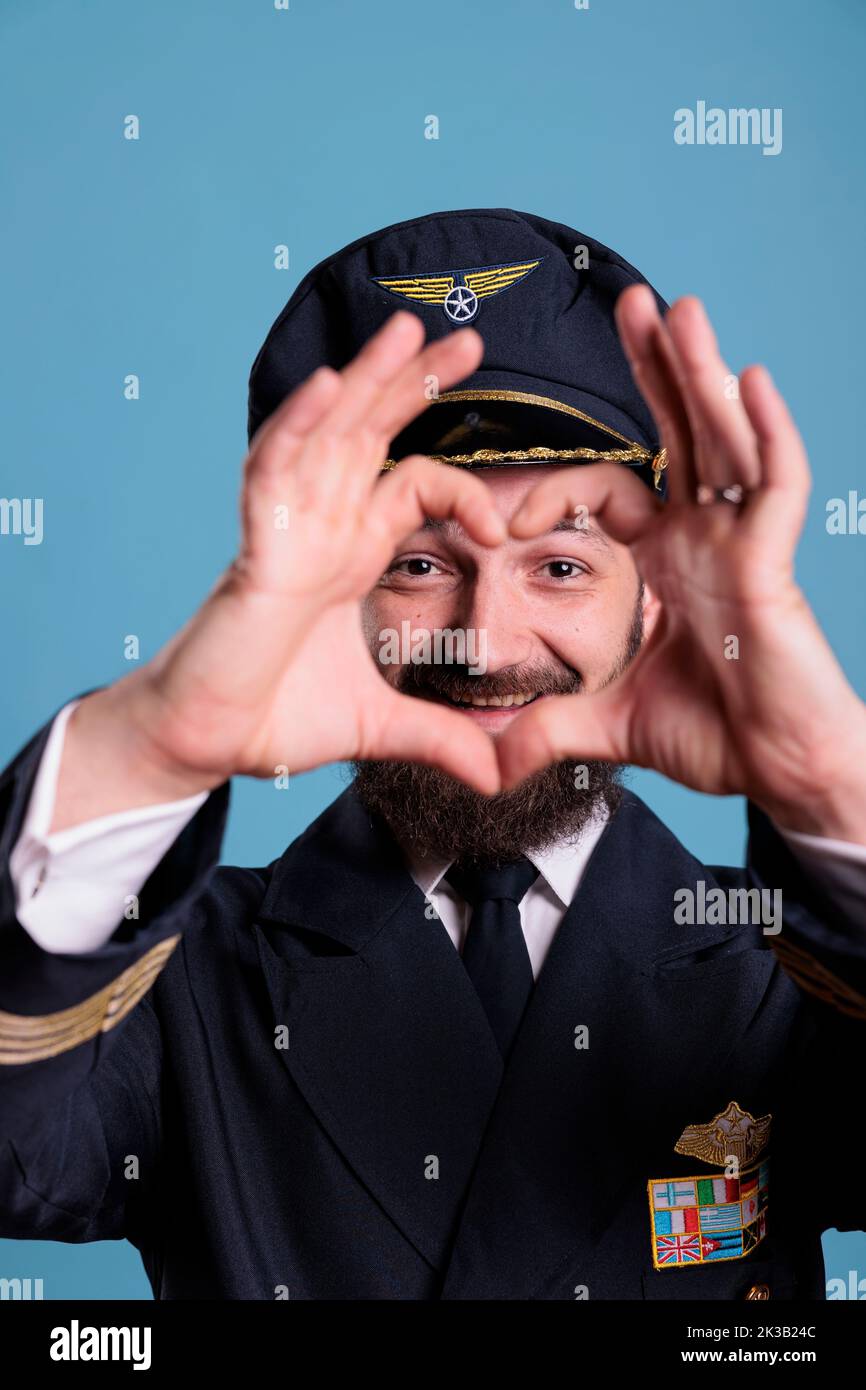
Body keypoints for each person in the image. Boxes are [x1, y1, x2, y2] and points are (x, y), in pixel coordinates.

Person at [1, 208, 865, 1301]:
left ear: (653, 605)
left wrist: (830, 776)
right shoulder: (176, 977)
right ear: (317, 598)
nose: (485, 643)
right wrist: (155, 742)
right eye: (415, 562)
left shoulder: (785, 968)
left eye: (560, 565)